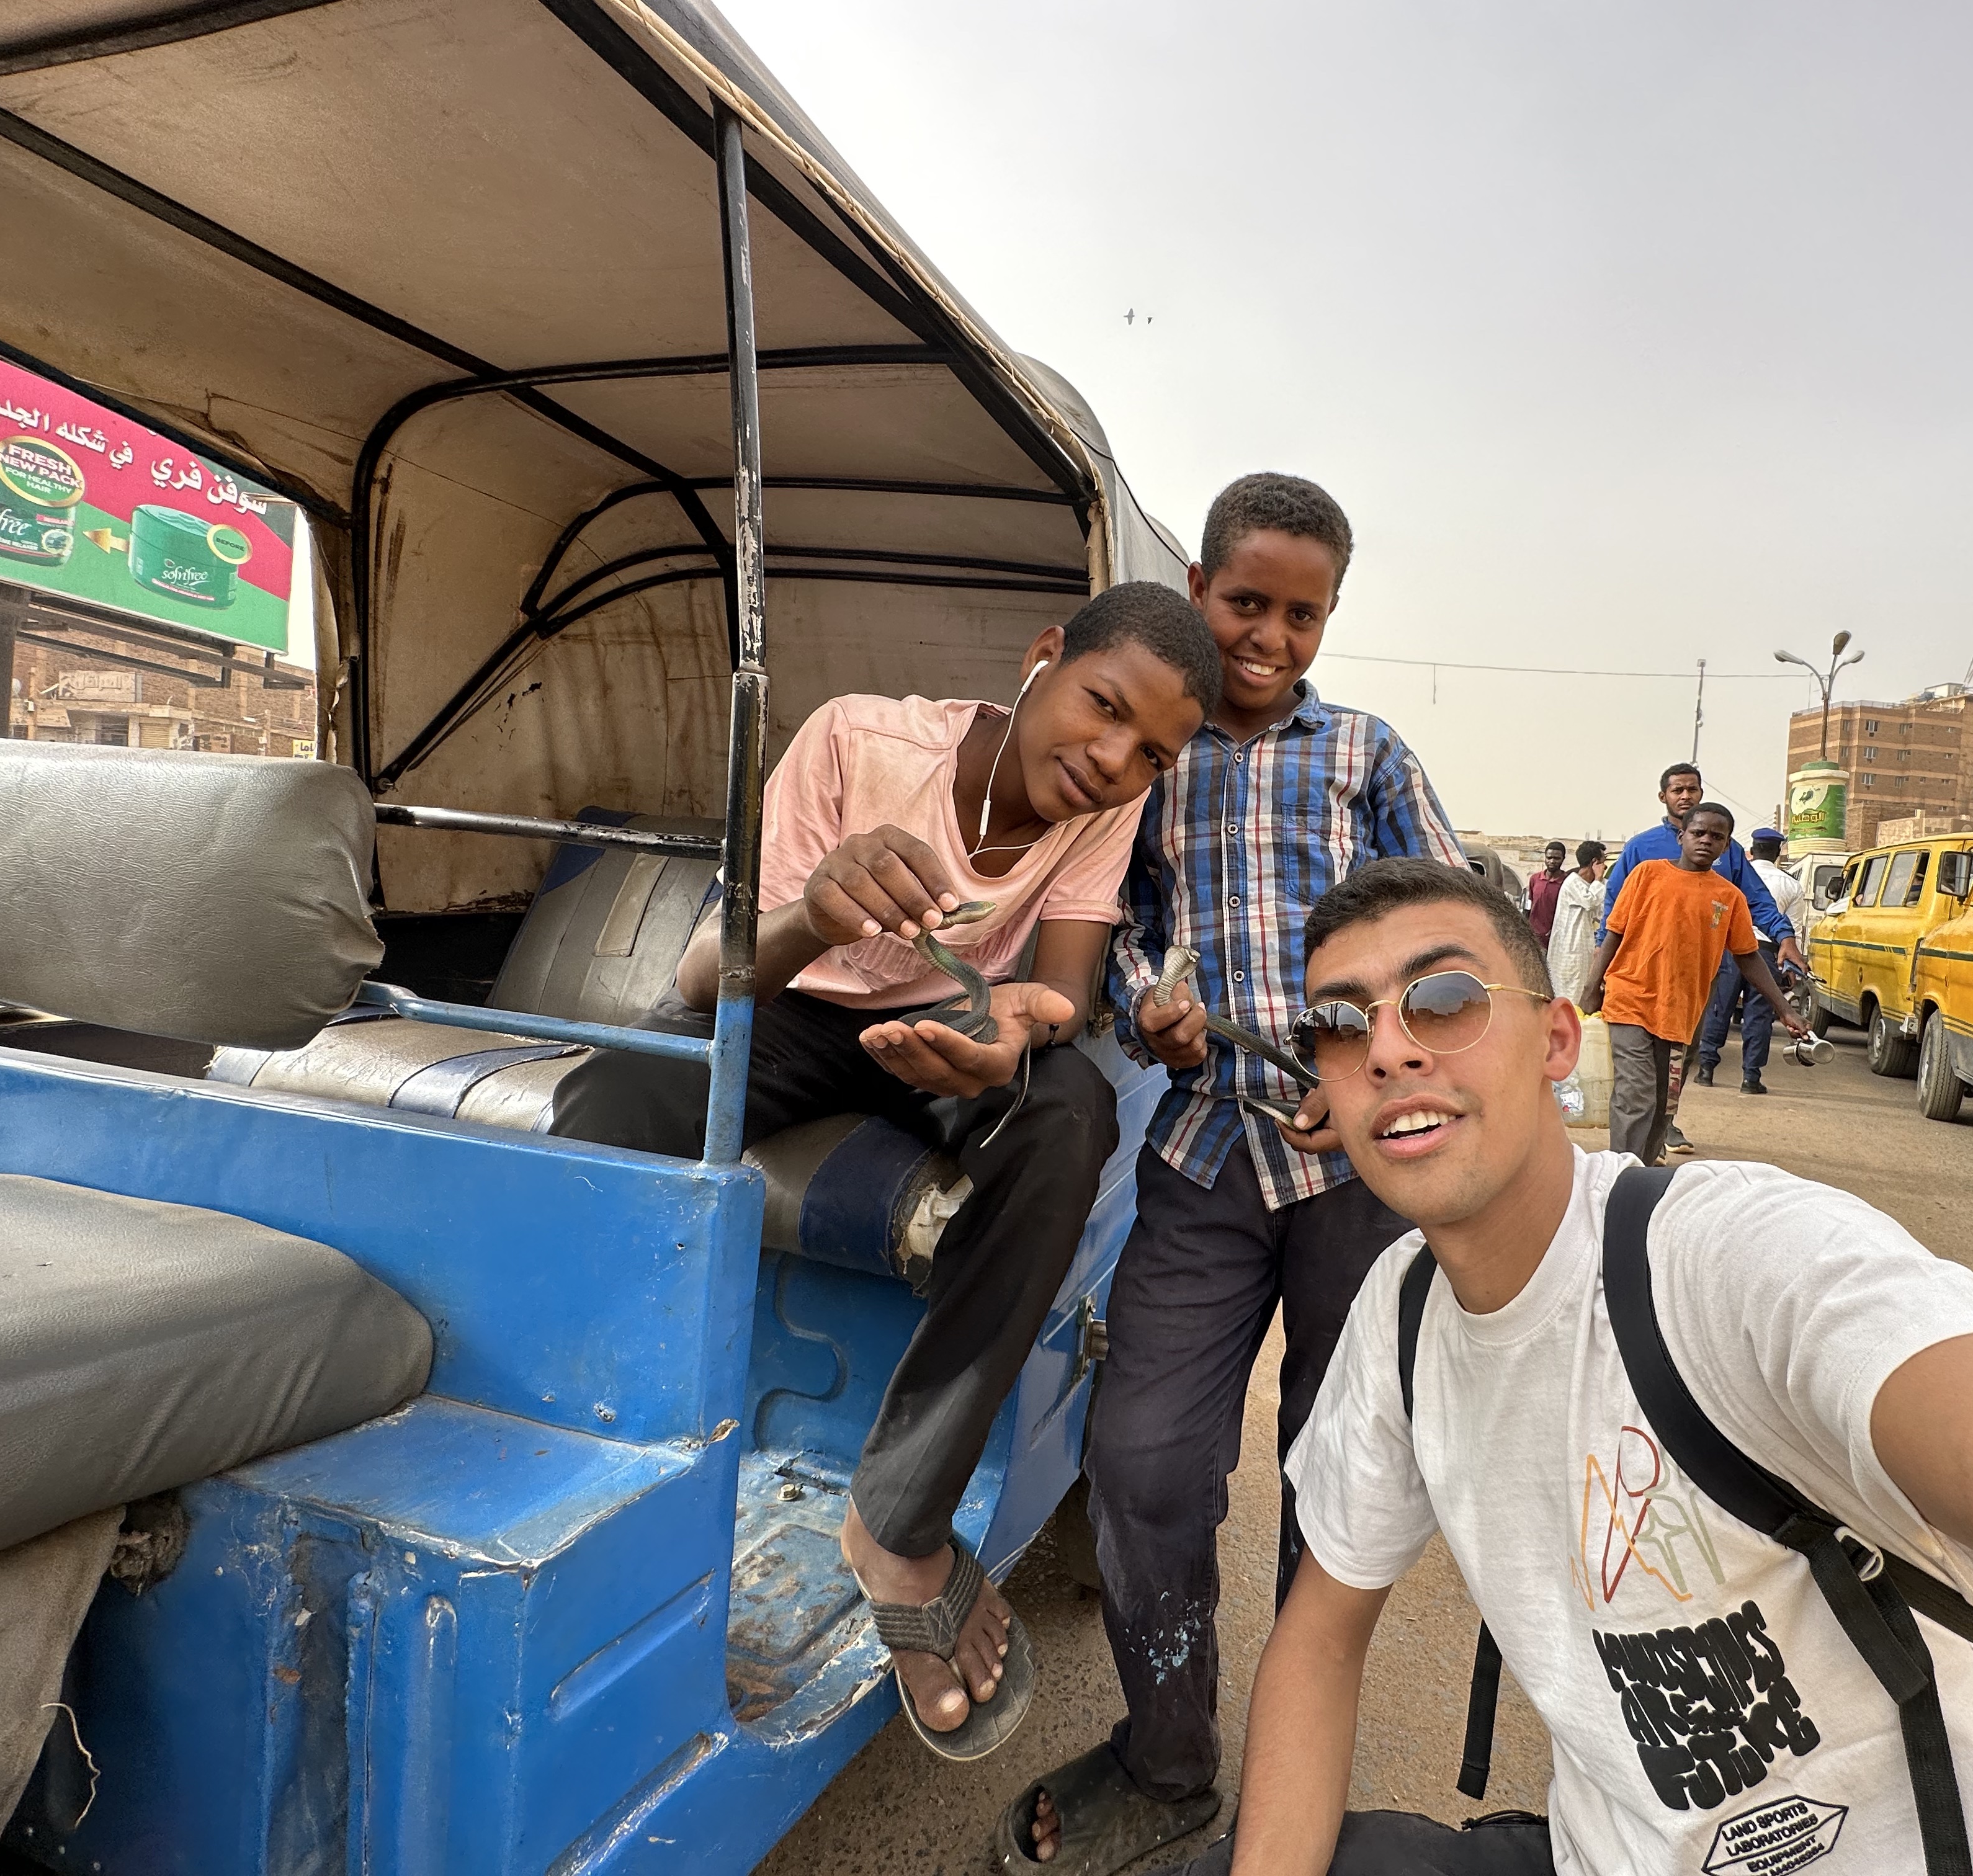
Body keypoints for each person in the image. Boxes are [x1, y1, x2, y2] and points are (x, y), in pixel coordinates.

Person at [1179, 858, 1973, 1875]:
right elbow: (1320, 1634)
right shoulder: (1401, 1315)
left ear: (1558, 1040)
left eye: (1445, 1000)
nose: (1389, 1048)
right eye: (1340, 1023)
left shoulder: (1730, 1257)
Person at [550, 582, 1220, 1758]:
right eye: (1104, 706)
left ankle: (898, 1519)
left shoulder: (1104, 809)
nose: (1116, 760)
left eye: (1152, 753)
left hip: (954, 1028)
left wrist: (1014, 1034)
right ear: (1045, 655)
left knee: (1071, 1116)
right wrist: (818, 910)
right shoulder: (859, 741)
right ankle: (582, 1435)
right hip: (793, 1005)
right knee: (611, 1093)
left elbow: (1062, 993)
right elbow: (711, 977)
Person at [1009, 474, 1465, 1873]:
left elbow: (1451, 933)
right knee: (1142, 1461)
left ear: (1329, 620)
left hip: (1356, 1177)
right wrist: (1147, 1002)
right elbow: (1112, 922)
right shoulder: (1151, 753)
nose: (1269, 637)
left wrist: (1369, 1065)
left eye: (1301, 615)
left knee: (1340, 1471)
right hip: (1203, 1155)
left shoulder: (1367, 755)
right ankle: (1167, 1762)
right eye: (1247, 602)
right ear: (1199, 588)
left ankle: (1291, 1767)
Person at [1586, 803, 1807, 1166]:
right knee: (1636, 1093)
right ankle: (1621, 1175)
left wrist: (1784, 1009)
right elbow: (1614, 932)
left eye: (1716, 837)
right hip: (1630, 998)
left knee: (1664, 1098)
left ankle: (1643, 1167)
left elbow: (1748, 956)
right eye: (1698, 833)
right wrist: (1591, 987)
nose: (1706, 841)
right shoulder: (1646, 875)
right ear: (1681, 836)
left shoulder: (1729, 896)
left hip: (1683, 1011)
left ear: (1727, 846)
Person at [1693, 825, 1805, 1094]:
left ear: (1752, 851)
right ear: (1778, 853)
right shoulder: (1791, 885)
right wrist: (1790, 968)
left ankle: (1706, 1070)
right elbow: (1794, 930)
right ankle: (1751, 1078)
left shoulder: (1735, 875)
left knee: (1719, 1008)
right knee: (1760, 1016)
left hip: (1729, 951)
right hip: (1767, 954)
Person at [1543, 839, 1608, 1008]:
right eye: (1603, 863)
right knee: (1569, 992)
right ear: (1595, 863)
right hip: (1569, 949)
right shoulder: (1572, 882)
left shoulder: (1591, 886)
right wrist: (1599, 879)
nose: (1605, 868)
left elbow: (1599, 913)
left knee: (1580, 989)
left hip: (1583, 947)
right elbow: (1590, 902)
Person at [1524, 840, 1567, 949]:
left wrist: (1557, 930)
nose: (1552, 861)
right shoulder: (1535, 879)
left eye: (1557, 858)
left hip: (1555, 937)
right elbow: (1529, 904)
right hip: (1533, 935)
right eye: (1549, 858)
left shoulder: (1567, 882)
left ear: (1563, 859)